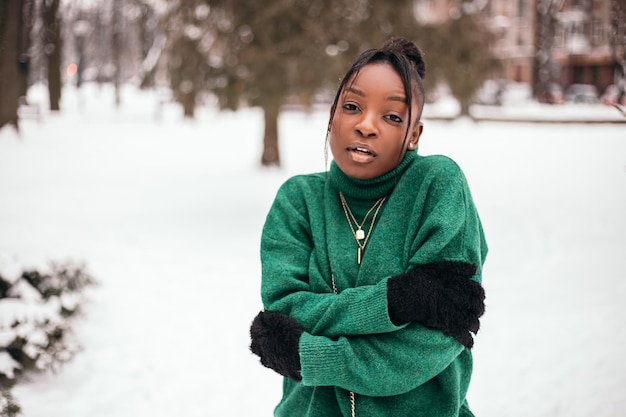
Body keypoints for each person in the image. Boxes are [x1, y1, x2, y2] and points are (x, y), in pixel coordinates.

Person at [249, 37, 488, 417]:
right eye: (352, 107)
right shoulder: (298, 201)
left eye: (392, 116)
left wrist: (315, 358)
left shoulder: (437, 186)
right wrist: (395, 301)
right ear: (332, 115)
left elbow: (435, 340)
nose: (365, 126)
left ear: (413, 135)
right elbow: (285, 313)